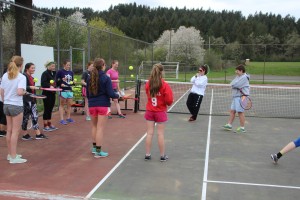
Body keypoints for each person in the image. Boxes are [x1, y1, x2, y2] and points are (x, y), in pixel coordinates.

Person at [87, 58, 119, 158]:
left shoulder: (89, 78)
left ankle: (94, 148)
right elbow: (111, 93)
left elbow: (88, 94)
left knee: (94, 127)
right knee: (100, 128)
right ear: (103, 66)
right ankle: (98, 151)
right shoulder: (106, 78)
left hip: (92, 105)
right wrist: (118, 95)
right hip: (102, 106)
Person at [0, 56, 27, 164]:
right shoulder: (21, 77)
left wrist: (5, 100)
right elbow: (20, 92)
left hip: (6, 104)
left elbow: (1, 91)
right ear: (21, 65)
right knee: (15, 132)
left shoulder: (5, 75)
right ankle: (14, 157)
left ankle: (10, 154)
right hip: (16, 105)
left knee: (9, 131)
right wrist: (25, 92)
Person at [144, 63, 173, 162]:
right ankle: (162, 156)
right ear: (162, 72)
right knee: (160, 134)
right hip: (160, 111)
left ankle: (147, 154)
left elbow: (148, 94)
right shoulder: (164, 84)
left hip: (150, 111)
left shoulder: (148, 83)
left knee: (149, 133)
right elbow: (169, 101)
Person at [21, 63, 48, 140]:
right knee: (26, 117)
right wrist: (30, 87)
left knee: (35, 116)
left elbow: (32, 90)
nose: (34, 69)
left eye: (34, 68)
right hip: (26, 100)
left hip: (32, 99)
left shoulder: (31, 77)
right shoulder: (24, 76)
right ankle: (25, 134)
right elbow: (22, 88)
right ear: (27, 68)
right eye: (32, 68)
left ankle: (38, 134)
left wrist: (35, 95)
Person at [222, 64, 250, 133]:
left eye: (237, 71)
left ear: (241, 71)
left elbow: (235, 85)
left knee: (240, 112)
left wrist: (234, 84)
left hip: (242, 97)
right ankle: (229, 125)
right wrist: (234, 84)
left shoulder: (244, 77)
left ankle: (242, 128)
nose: (236, 72)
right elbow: (231, 83)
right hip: (235, 96)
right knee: (232, 111)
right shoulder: (238, 76)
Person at [56, 59, 75, 125]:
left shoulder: (71, 72)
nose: (68, 66)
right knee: (62, 104)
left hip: (69, 89)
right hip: (63, 90)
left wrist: (73, 83)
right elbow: (57, 80)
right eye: (67, 65)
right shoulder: (60, 71)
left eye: (69, 65)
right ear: (64, 65)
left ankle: (68, 118)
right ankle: (61, 119)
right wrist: (61, 82)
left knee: (69, 104)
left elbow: (72, 81)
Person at [41, 61, 59, 131]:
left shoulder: (54, 73)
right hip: (46, 94)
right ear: (48, 66)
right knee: (47, 109)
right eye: (52, 66)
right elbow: (43, 83)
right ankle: (45, 125)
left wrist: (59, 82)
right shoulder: (45, 73)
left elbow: (56, 82)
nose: (53, 67)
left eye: (54, 66)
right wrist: (49, 86)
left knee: (50, 108)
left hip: (52, 94)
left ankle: (49, 123)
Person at [0, 66, 7, 137]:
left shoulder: (1, 79)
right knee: (3, 115)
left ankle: (1, 130)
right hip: (2, 100)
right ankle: (1, 131)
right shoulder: (5, 80)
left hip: (1, 99)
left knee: (1, 115)